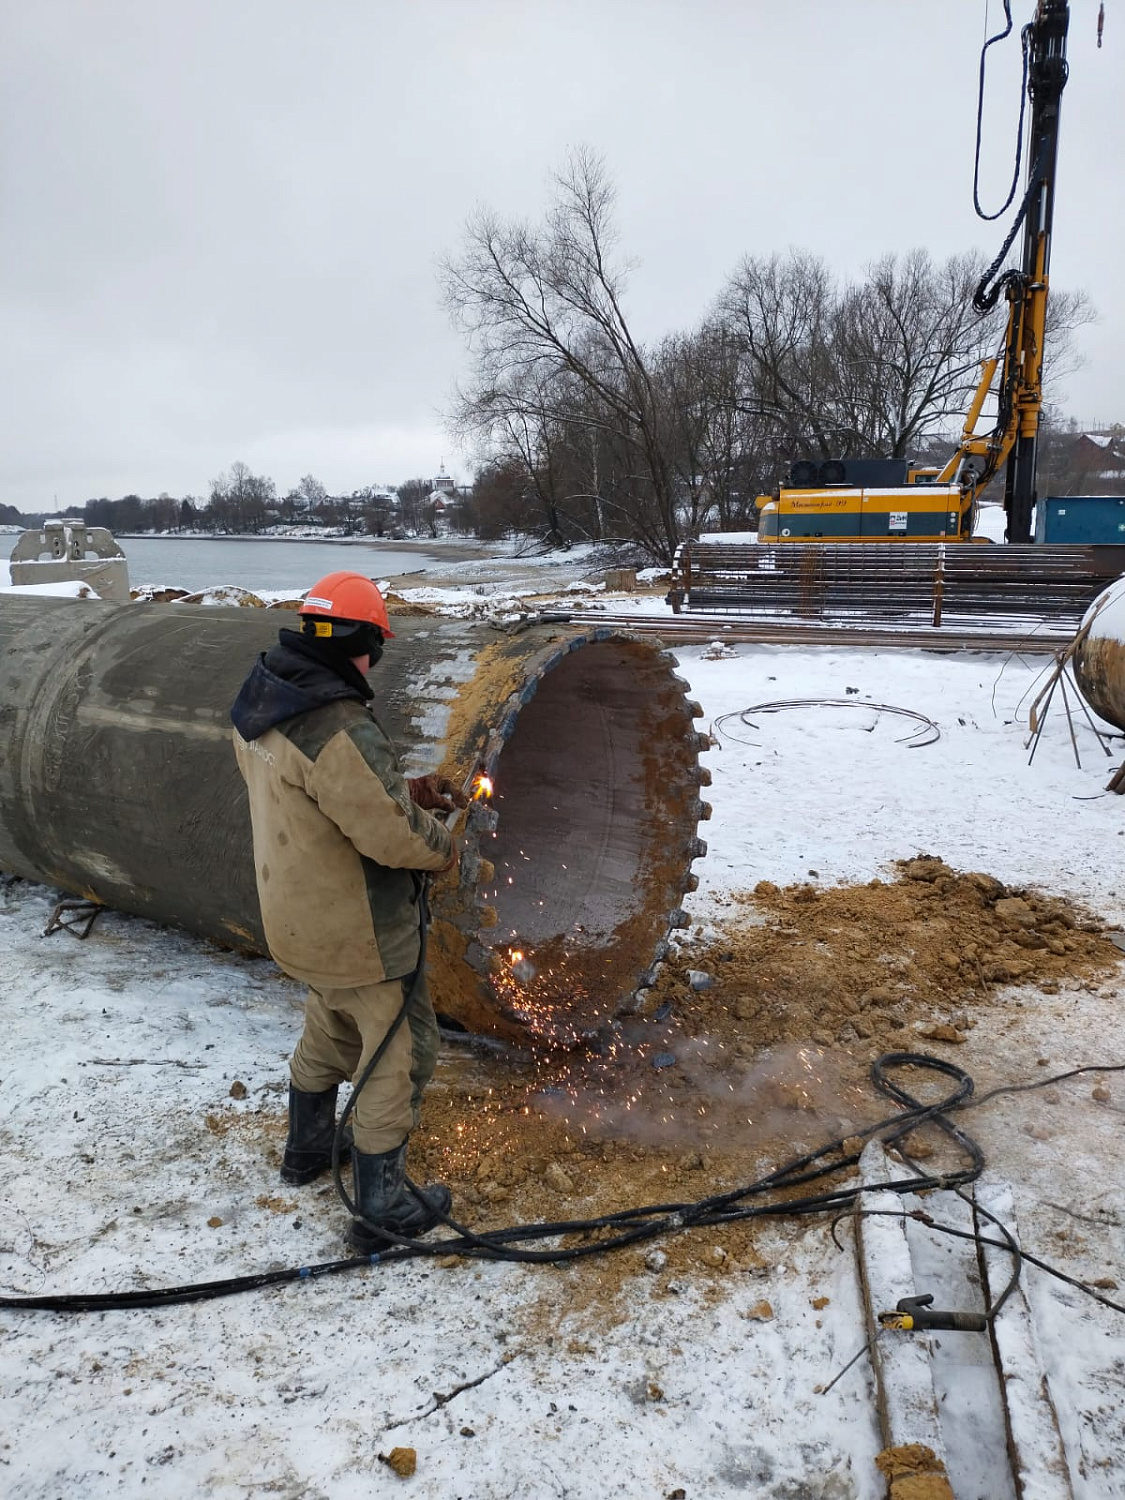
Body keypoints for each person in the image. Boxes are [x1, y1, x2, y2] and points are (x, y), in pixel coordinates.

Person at [229, 570, 468, 1251]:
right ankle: (381, 1209)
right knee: (400, 1053)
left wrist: (407, 789)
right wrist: (443, 848)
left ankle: (305, 1152)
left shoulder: (263, 696)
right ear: (361, 641)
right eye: (375, 648)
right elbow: (388, 836)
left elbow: (317, 794)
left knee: (331, 1027)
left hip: (298, 919)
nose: (373, 662)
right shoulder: (337, 722)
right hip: (361, 930)